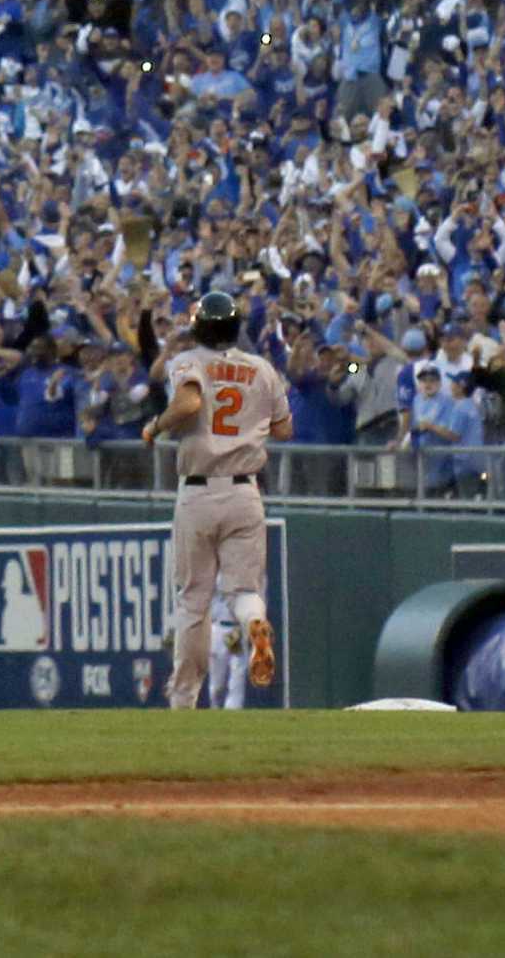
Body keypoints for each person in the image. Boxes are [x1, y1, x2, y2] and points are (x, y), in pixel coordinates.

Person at [141, 291, 292, 710]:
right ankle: (254, 623)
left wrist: (156, 426)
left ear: (200, 328)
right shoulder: (262, 369)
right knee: (244, 592)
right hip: (246, 489)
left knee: (194, 599)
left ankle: (184, 698)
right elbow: (283, 430)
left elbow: (189, 402)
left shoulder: (188, 361)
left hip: (199, 489)